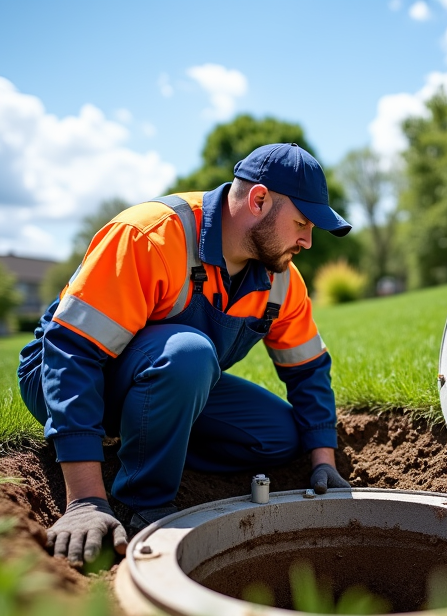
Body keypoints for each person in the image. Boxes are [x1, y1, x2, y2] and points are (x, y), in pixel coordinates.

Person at [18, 143, 352, 568]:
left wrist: (323, 459)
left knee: (279, 436)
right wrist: (84, 499)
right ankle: (143, 505)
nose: (307, 240)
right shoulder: (150, 235)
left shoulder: (282, 280)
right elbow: (72, 352)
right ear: (259, 200)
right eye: (302, 223)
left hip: (168, 378)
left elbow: (308, 370)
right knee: (190, 354)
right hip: (61, 372)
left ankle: (149, 441)